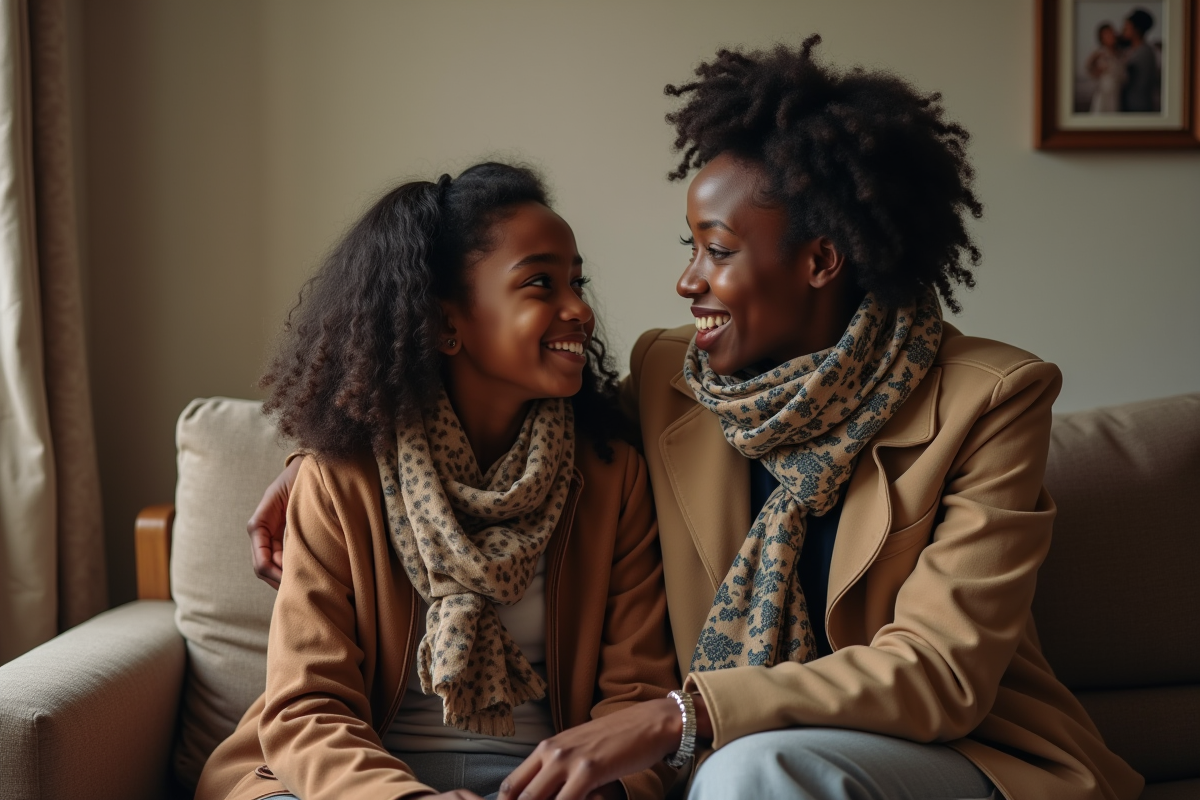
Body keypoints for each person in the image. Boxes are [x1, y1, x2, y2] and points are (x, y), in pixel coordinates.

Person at [249, 38, 1144, 800]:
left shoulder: (991, 398)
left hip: (953, 755)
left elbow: (942, 673)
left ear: (821, 261)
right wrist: (318, 460)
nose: (687, 280)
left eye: (715, 252)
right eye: (690, 250)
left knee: (747, 773)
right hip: (752, 757)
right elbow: (464, 417)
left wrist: (686, 713)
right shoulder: (669, 379)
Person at [199, 163, 679, 800]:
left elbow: (637, 697)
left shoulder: (612, 480)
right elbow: (308, 710)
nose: (580, 309)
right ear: (444, 323)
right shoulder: (342, 481)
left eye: (576, 281)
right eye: (541, 283)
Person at [1120, 8, 1160, 112]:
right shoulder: (1132, 50)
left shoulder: (1144, 52)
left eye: (1127, 26)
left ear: (1136, 29)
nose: (1123, 29)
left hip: (1138, 106)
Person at [1087, 23, 1125, 113]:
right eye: (1106, 34)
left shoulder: (1120, 53)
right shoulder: (1100, 53)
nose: (1111, 35)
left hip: (1118, 92)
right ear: (1101, 38)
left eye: (1111, 32)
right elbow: (1089, 68)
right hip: (1105, 92)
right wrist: (1097, 71)